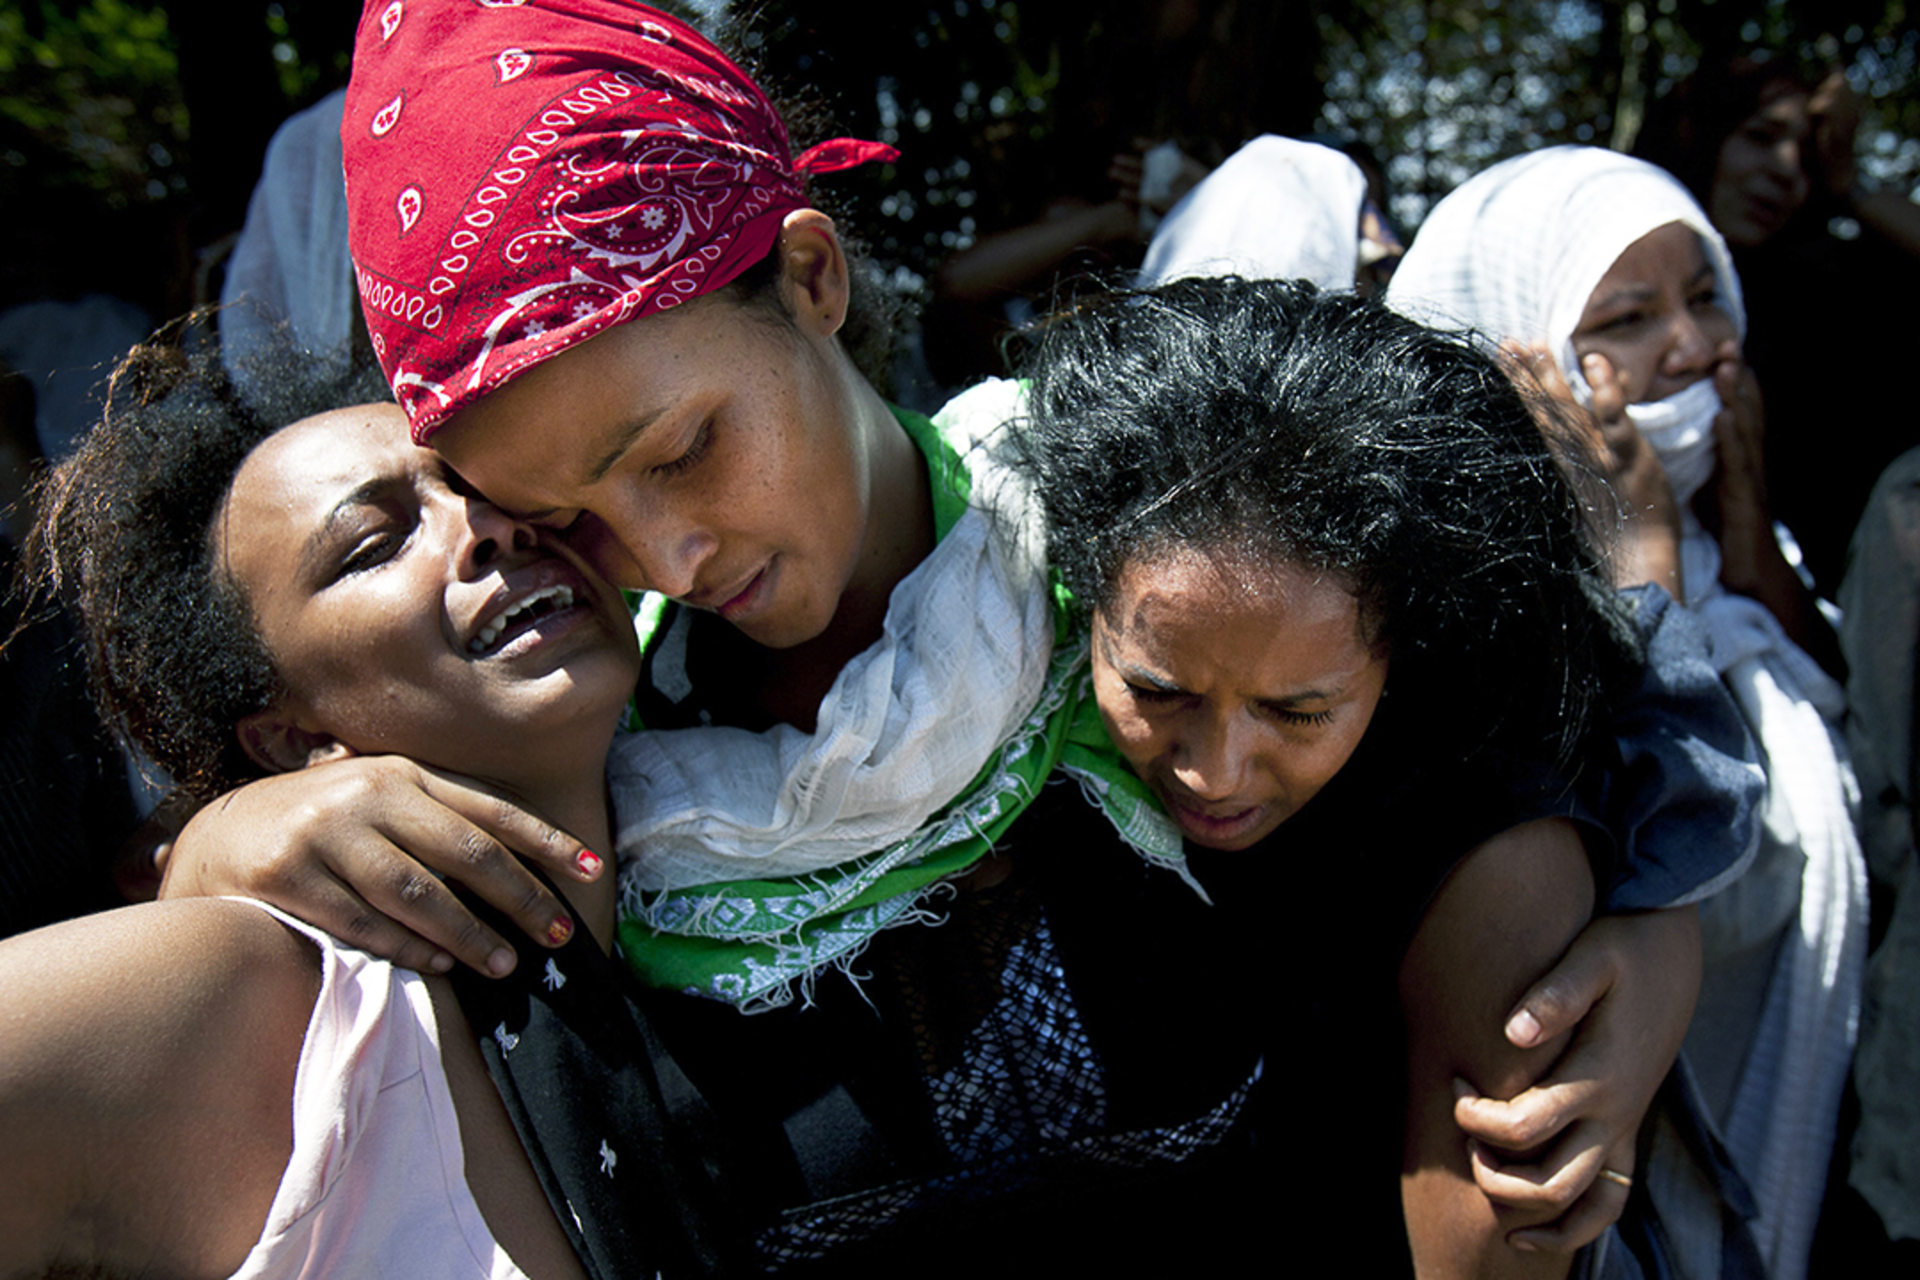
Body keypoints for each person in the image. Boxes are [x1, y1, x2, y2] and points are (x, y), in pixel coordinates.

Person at [162, 1, 1751, 1265]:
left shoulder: (1155, 555)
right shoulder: (596, 778)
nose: (663, 551)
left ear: (810, 273)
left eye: (680, 448)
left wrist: (1635, 928)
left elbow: (1537, 746)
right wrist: (223, 850)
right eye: (563, 509)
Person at [1, 336, 752, 1277]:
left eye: (486, 490)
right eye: (373, 543)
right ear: (288, 739)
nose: (486, 528)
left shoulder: (758, 881)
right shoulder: (248, 995)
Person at [1389, 144, 1868, 1280]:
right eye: (1631, 315)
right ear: (1524, 343)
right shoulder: (1480, 608)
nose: (1699, 347)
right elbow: (1657, 848)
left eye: (1706, 296)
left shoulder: (1740, 546)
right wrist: (1641, 573)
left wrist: (1739, 545)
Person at [1635, 56, 1920, 598]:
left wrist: (1852, 186)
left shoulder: (1838, 292)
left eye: (1810, 157)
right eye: (1761, 137)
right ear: (1698, 135)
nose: (1787, 167)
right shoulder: (1601, 280)